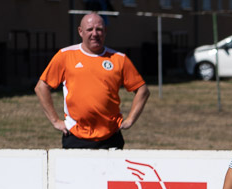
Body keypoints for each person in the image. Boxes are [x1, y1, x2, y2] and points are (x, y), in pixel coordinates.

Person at [35, 12, 149, 149]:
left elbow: (142, 90)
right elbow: (41, 87)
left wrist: (130, 120)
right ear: (80, 31)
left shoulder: (119, 59)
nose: (94, 34)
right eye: (89, 29)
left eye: (99, 29)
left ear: (105, 31)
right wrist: (55, 121)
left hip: (110, 137)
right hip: (76, 137)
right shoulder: (65, 56)